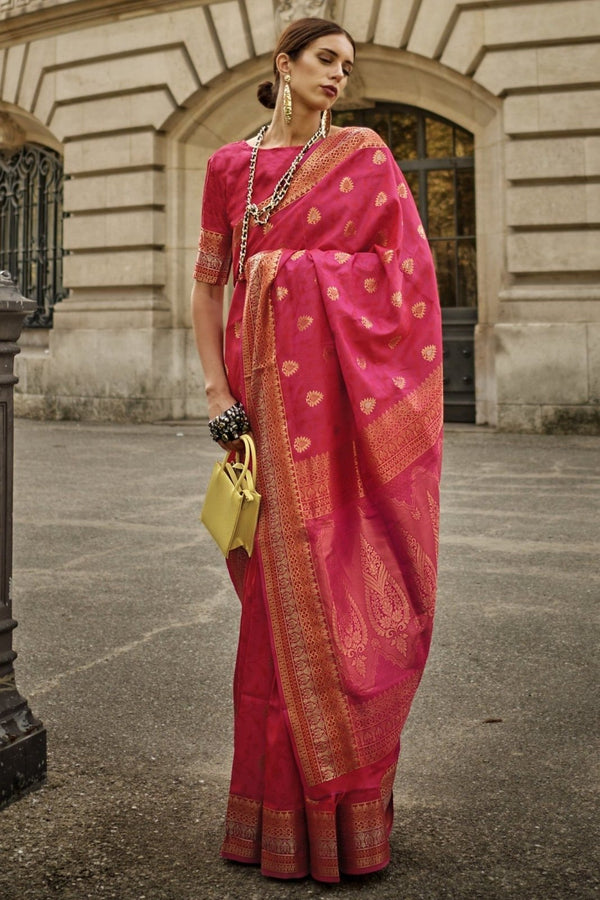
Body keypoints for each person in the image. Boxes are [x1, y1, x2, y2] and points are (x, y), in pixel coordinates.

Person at [191, 16, 443, 884]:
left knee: (344, 609)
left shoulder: (366, 157)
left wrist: (289, 275)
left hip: (341, 425)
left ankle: (347, 818)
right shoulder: (231, 167)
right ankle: (273, 824)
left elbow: (406, 281)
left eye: (349, 66)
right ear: (284, 65)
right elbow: (209, 285)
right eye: (326, 60)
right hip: (259, 416)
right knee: (270, 617)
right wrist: (219, 395)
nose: (340, 76)